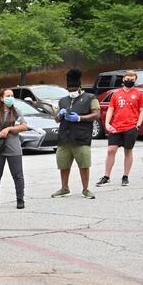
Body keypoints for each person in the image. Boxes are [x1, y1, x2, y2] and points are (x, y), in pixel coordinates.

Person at [51, 69, 100, 199]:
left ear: (79, 87)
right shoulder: (62, 101)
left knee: (84, 164)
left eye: (73, 89)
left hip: (81, 137)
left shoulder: (90, 98)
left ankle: (85, 189)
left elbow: (97, 114)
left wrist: (79, 118)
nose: (71, 91)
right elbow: (56, 119)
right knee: (63, 165)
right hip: (64, 138)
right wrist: (59, 115)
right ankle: (64, 188)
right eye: (69, 89)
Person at [96, 70, 143, 187]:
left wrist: (138, 124)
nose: (129, 81)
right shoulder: (116, 94)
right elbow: (110, 109)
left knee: (128, 151)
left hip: (131, 126)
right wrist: (107, 124)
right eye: (127, 79)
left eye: (132, 80)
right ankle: (106, 176)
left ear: (135, 80)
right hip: (116, 127)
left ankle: (125, 176)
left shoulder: (139, 94)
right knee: (111, 150)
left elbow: (142, 110)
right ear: (123, 79)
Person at [0, 89, 27, 209]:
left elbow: (24, 126)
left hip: (13, 147)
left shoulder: (16, 111)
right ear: (2, 98)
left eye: (12, 96)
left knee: (17, 175)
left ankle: (20, 199)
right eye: (8, 96)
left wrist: (8, 129)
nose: (10, 98)